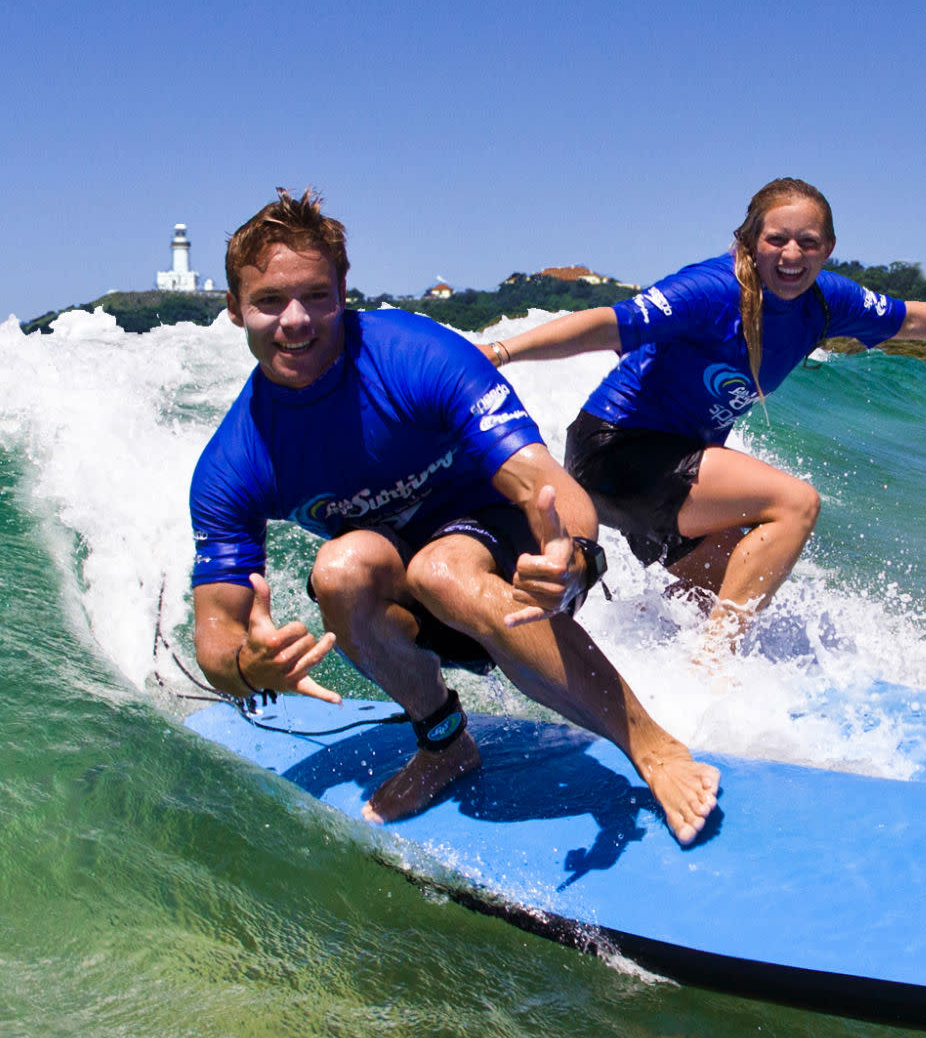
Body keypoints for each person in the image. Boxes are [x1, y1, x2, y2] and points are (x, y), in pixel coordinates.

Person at [189, 190, 721, 843]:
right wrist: (249, 668)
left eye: (316, 296)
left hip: (520, 565)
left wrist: (575, 555)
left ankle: (651, 745)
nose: (295, 320)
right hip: (412, 608)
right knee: (339, 569)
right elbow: (214, 635)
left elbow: (543, 482)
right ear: (236, 308)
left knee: (444, 567)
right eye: (270, 301)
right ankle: (444, 743)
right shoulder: (236, 460)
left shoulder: (417, 356)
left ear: (343, 292)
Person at [483, 178, 926, 663]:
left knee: (711, 583)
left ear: (829, 247)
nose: (792, 255)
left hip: (670, 466)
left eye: (808, 243)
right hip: (616, 450)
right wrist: (503, 353)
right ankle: (711, 665)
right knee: (795, 503)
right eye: (777, 239)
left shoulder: (826, 301)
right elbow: (606, 323)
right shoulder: (708, 290)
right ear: (749, 241)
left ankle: (633, 660)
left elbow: (914, 319)